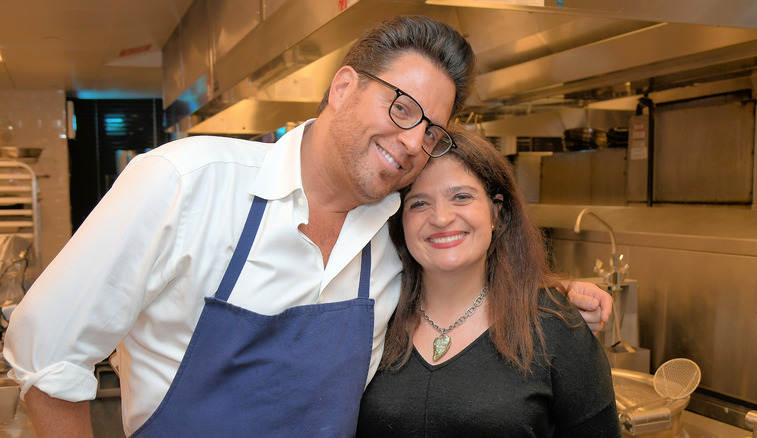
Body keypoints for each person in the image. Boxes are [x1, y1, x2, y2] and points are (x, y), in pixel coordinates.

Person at [3, 15, 611, 438]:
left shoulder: (392, 230)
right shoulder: (186, 184)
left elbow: (466, 257)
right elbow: (47, 354)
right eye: (401, 106)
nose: (411, 142)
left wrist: (554, 292)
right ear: (343, 86)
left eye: (432, 131)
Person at [356, 125, 621, 437]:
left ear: (496, 211)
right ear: (400, 221)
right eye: (419, 203)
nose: (441, 218)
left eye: (462, 197)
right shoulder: (372, 314)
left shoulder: (555, 324)